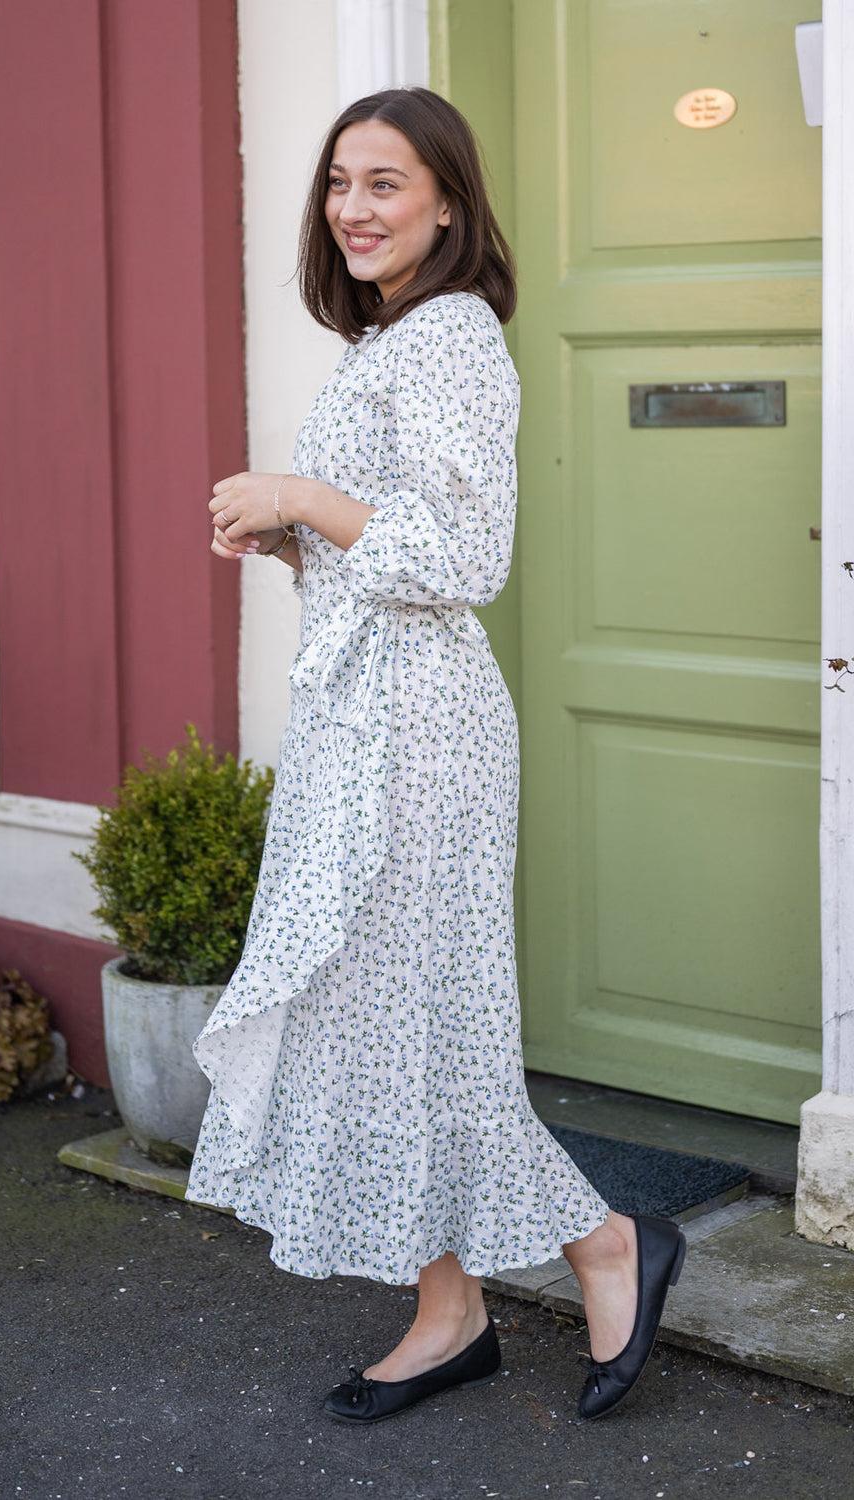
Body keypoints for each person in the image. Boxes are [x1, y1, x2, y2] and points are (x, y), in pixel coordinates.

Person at [184, 85, 685, 1425]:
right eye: (340, 181)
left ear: (448, 203)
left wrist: (300, 496)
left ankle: (608, 1245)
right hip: (362, 719)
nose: (353, 206)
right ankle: (450, 1307)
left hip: (421, 734)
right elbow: (388, 546)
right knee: (377, 1027)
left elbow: (466, 560)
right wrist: (298, 539)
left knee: (426, 1034)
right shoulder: (388, 341)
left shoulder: (454, 337)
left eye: (386, 183)